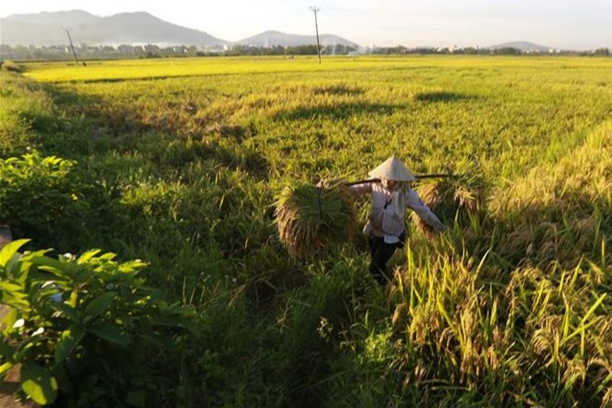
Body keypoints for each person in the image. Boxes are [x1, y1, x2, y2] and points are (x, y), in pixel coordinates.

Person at [349, 156, 445, 283]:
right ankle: (382, 287)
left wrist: (441, 228)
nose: (387, 182)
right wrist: (335, 189)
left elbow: (425, 212)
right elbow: (354, 190)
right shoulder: (375, 183)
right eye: (385, 178)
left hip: (391, 237)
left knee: (374, 268)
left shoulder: (407, 194)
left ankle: (388, 289)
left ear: (399, 179)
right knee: (377, 263)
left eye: (392, 180)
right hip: (373, 232)